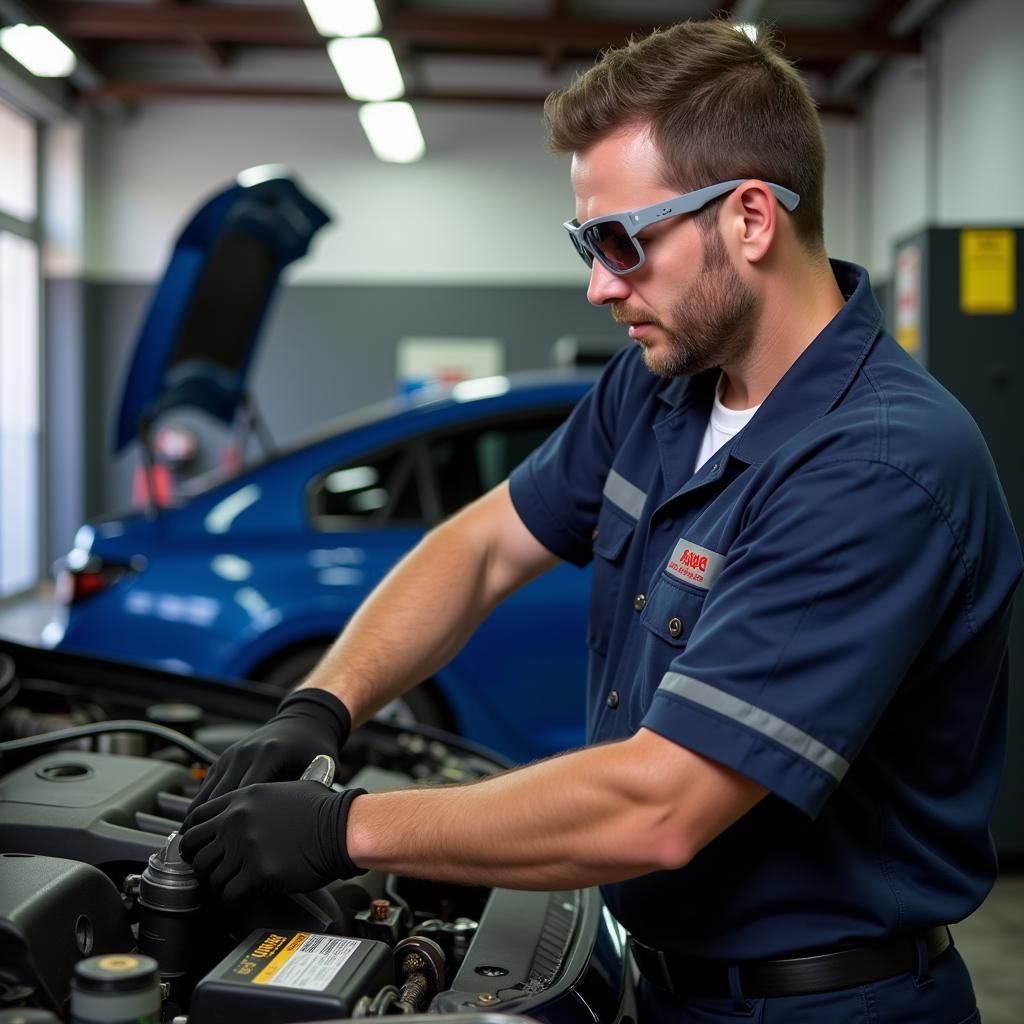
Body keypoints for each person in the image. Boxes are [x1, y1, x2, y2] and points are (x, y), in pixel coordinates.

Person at [180, 19, 1022, 1023]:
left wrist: (342, 828)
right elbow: (483, 544)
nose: (598, 284)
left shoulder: (878, 464)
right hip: (658, 981)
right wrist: (318, 706)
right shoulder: (657, 390)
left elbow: (660, 804)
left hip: (825, 1004)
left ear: (750, 217)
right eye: (586, 242)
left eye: (623, 241)